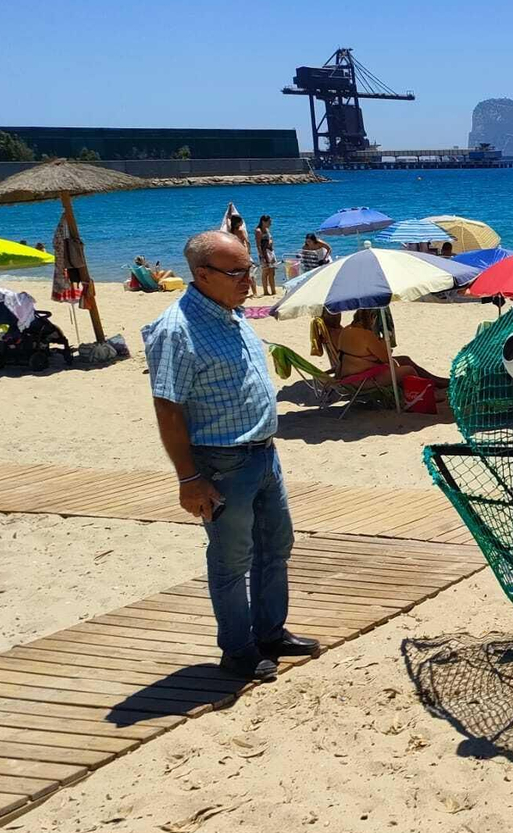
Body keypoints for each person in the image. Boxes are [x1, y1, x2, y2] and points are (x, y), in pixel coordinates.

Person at [142, 229, 317, 681]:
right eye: (237, 271)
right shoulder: (176, 329)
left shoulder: (232, 314)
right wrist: (188, 479)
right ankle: (238, 650)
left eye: (249, 268)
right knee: (231, 560)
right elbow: (167, 407)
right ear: (203, 274)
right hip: (221, 463)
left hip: (263, 455)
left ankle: (270, 633)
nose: (248, 279)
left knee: (276, 546)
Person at [334, 308, 449, 392]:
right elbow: (386, 358)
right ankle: (426, 394)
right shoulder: (366, 335)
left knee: (404, 359)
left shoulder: (346, 330)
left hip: (346, 376)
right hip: (362, 380)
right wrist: (383, 342)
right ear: (373, 318)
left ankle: (436, 381)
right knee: (409, 370)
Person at [255, 215, 276, 296]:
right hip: (264, 253)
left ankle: (273, 290)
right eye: (269, 222)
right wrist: (262, 256)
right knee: (265, 272)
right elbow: (258, 245)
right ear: (263, 222)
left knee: (272, 271)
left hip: (270, 251)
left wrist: (270, 241)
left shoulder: (267, 229)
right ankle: (265, 291)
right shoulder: (258, 231)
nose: (270, 224)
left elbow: (270, 238)